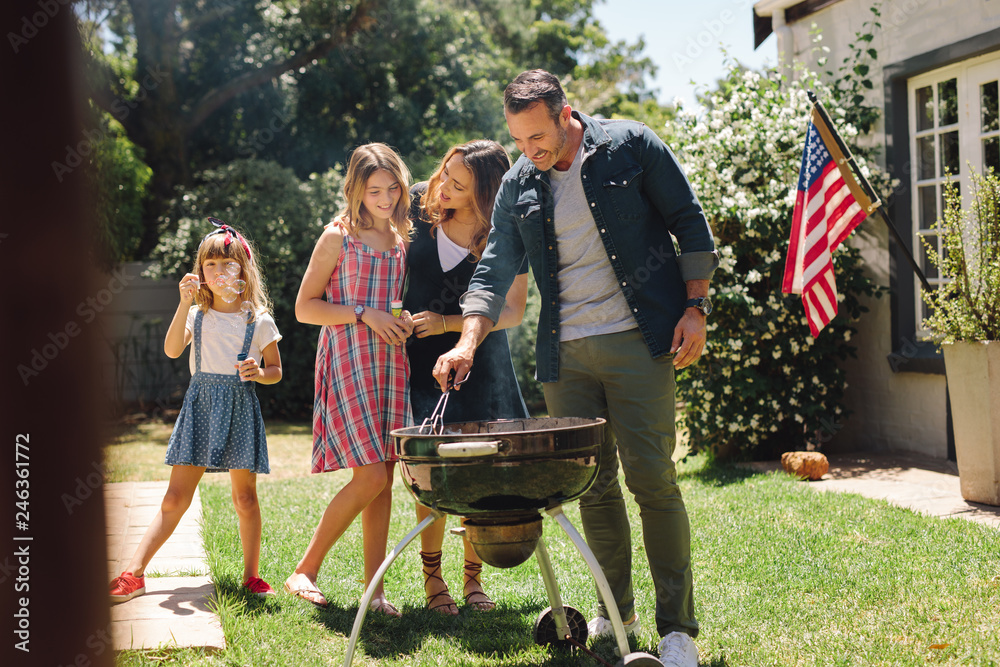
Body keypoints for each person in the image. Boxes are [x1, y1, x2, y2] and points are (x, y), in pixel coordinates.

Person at [433, 70, 718, 667]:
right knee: (594, 487)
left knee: (654, 482)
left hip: (640, 340)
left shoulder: (630, 145)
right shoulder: (518, 182)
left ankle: (677, 630)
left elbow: (690, 222)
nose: (530, 151)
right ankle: (616, 617)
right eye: (519, 140)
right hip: (566, 355)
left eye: (539, 137)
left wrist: (695, 307)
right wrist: (465, 342)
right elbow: (493, 271)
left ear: (567, 115)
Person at [109, 218, 283, 603]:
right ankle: (133, 573)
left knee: (245, 499)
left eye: (228, 264)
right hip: (201, 407)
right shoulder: (197, 315)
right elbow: (173, 350)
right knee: (174, 498)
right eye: (211, 265)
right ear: (200, 272)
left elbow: (276, 371)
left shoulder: (259, 320)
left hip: (239, 408)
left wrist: (260, 372)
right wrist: (183, 302)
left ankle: (251, 576)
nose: (220, 272)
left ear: (244, 269)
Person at [285, 143, 414, 616]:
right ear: (355, 191)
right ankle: (306, 569)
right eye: (373, 190)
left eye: (391, 187)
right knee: (369, 477)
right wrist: (364, 315)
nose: (384, 198)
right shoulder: (338, 236)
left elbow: (391, 306)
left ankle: (374, 592)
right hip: (348, 356)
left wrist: (400, 322)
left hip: (389, 362)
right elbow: (304, 308)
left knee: (384, 477)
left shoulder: (400, 240)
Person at [403, 140, 530, 615]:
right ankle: (433, 582)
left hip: (481, 364)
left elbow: (513, 312)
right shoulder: (417, 206)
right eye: (444, 175)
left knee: (479, 472)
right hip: (418, 365)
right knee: (431, 472)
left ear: (486, 194)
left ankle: (473, 582)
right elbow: (364, 225)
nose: (442, 188)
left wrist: (446, 323)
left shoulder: (506, 232)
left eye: (458, 185)